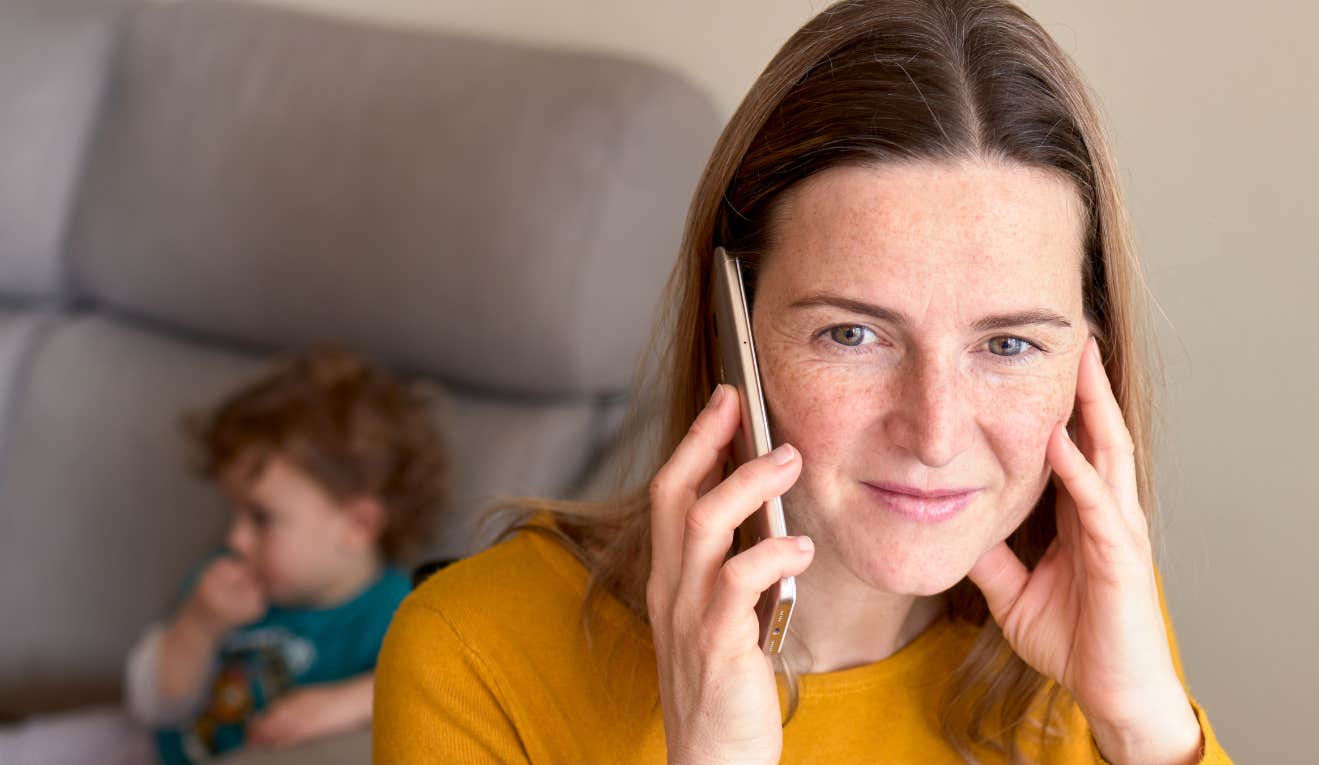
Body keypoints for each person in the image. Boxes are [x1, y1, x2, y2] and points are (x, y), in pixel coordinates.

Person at [372, 0, 1234, 762]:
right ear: (730, 328)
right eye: (853, 334)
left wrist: (1147, 731)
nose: (935, 433)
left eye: (1008, 345)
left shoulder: (1091, 617)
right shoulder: (476, 650)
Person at [0, 348, 447, 765]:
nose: (235, 537)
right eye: (234, 512)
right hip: (155, 746)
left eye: (261, 518)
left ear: (358, 526)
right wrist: (198, 624)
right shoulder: (221, 582)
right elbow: (153, 706)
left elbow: (445, 689)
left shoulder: (399, 612)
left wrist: (348, 703)